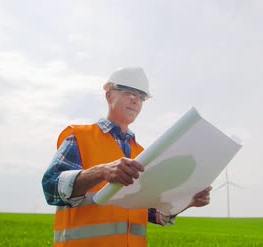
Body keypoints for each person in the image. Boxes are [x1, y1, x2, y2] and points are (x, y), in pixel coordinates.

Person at [42, 67, 212, 247]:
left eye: (141, 97)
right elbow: (50, 188)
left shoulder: (143, 153)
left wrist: (187, 201)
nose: (135, 100)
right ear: (109, 96)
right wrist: (101, 172)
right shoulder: (79, 137)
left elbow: (151, 213)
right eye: (129, 92)